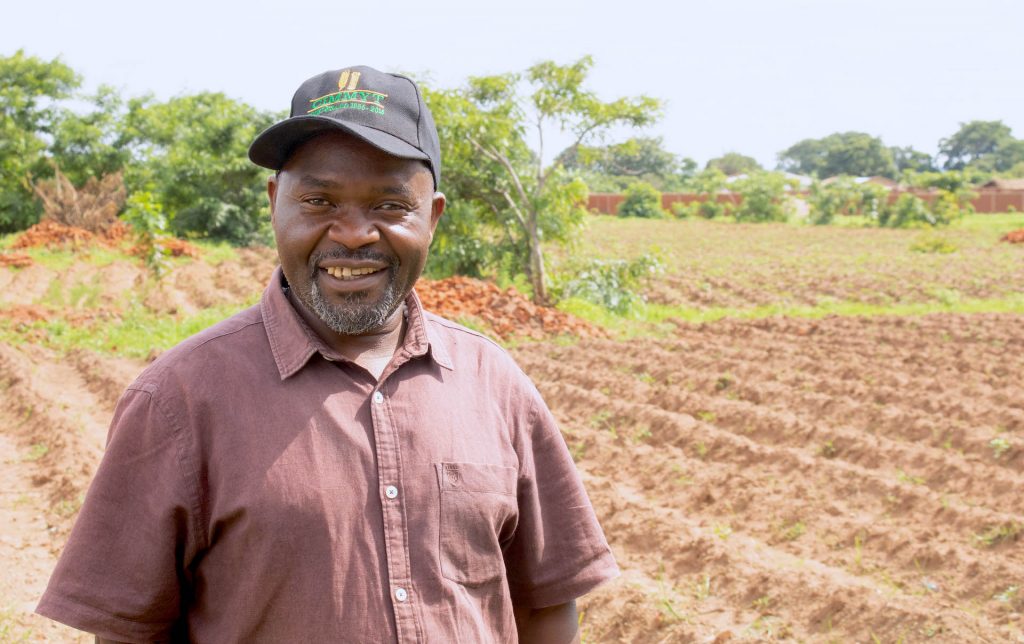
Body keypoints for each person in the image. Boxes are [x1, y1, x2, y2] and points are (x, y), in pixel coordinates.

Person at [36, 65, 618, 643]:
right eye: (318, 200)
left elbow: (545, 606)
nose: (354, 233)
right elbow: (130, 633)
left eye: (390, 206)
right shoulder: (177, 400)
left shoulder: (494, 382)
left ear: (433, 217)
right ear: (274, 204)